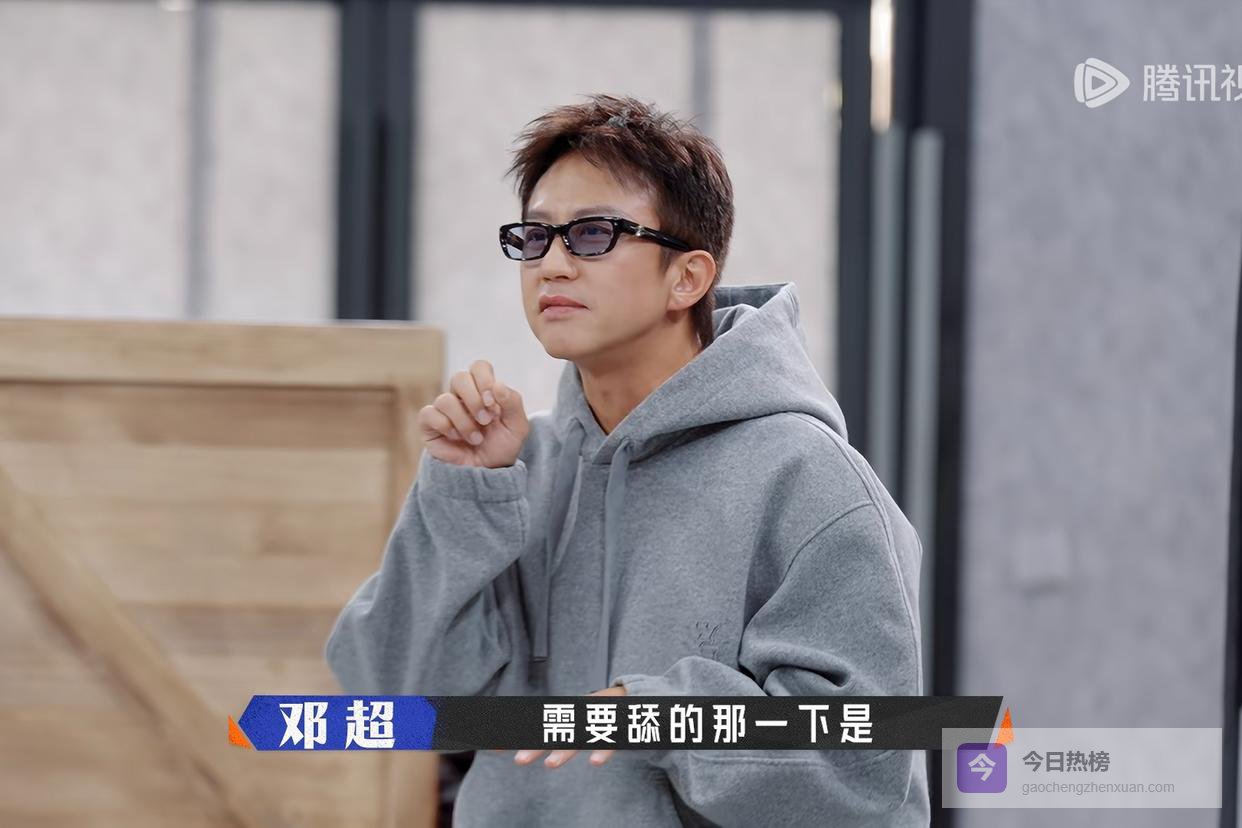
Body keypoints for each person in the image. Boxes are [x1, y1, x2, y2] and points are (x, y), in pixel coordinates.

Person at [324, 92, 929, 826]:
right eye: (535, 237)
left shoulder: (807, 479)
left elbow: (865, 770)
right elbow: (387, 691)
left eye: (592, 234)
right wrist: (462, 496)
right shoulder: (517, 469)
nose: (551, 264)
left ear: (689, 277)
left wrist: (662, 716)